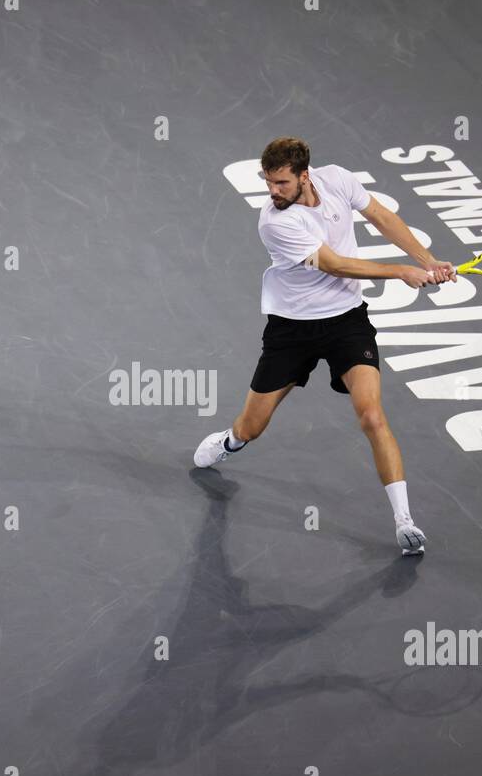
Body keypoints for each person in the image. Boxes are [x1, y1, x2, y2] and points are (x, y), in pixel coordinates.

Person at [193, 137, 457, 556]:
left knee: (371, 415)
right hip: (292, 330)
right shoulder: (275, 223)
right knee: (252, 428)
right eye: (268, 182)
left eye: (280, 182)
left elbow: (383, 216)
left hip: (347, 323)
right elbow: (333, 263)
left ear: (304, 175)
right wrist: (401, 272)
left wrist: (427, 261)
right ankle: (230, 441)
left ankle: (404, 521)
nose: (272, 191)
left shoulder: (337, 181)